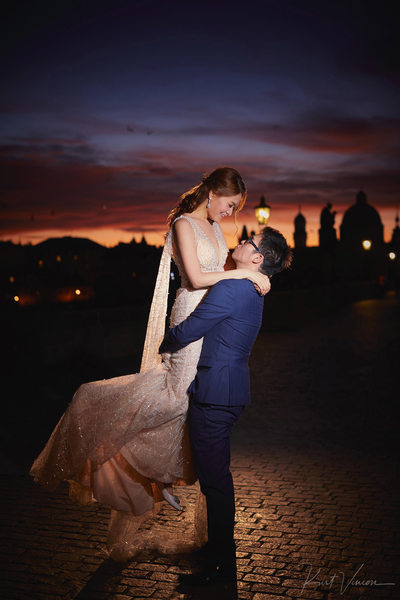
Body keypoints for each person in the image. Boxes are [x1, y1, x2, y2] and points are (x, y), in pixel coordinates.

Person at [30, 167, 270, 559]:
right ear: (211, 193)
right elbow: (194, 276)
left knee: (191, 406)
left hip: (206, 319)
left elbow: (222, 274)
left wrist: (252, 273)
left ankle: (164, 479)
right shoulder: (184, 224)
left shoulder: (213, 227)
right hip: (189, 315)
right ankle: (150, 472)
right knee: (175, 398)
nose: (230, 214)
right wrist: (244, 271)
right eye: (229, 205)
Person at [159, 227, 292, 595]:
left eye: (250, 239)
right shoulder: (248, 285)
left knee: (216, 484)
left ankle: (220, 568)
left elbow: (190, 330)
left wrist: (162, 342)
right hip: (226, 391)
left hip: (217, 393)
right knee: (216, 480)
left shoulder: (235, 286)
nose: (243, 239)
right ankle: (219, 561)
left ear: (257, 258)